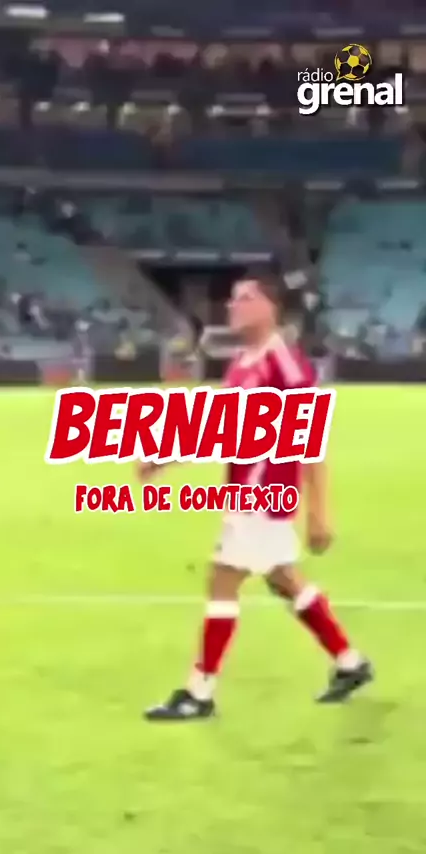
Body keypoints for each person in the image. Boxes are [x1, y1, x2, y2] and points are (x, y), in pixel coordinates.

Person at [138, 272, 373, 722]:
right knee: (283, 579)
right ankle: (350, 662)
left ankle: (199, 693)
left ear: (270, 308)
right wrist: (166, 456)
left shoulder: (283, 362)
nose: (233, 305)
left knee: (223, 579)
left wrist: (319, 511)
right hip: (247, 492)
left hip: (263, 494)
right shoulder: (244, 361)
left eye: (245, 298)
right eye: (233, 298)